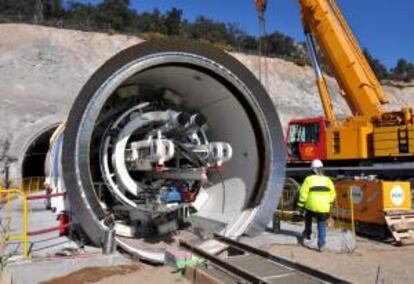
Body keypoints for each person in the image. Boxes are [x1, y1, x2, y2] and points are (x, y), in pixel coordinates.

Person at [297, 159, 336, 252]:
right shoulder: (328, 180)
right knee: (321, 225)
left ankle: (308, 233)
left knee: (308, 217)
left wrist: (300, 205)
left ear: (313, 169)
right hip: (324, 208)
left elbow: (303, 193)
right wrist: (329, 204)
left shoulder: (308, 179)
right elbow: (333, 194)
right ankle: (321, 245)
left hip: (311, 206)